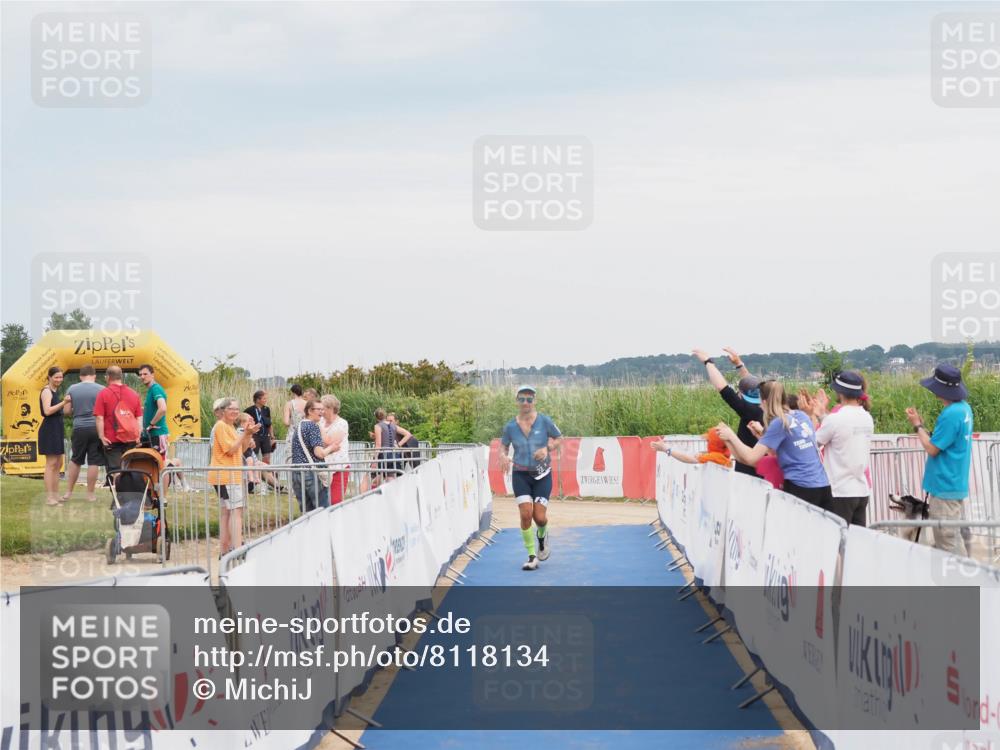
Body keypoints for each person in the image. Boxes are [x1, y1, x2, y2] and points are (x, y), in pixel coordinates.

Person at [716, 380, 832, 508]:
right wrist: (761, 436)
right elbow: (781, 451)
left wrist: (731, 436)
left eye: (760, 402)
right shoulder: (801, 416)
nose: (760, 406)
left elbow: (750, 458)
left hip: (801, 487)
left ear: (765, 402)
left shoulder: (779, 422)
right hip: (823, 485)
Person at [904, 364, 974, 555]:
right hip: (955, 484)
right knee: (954, 539)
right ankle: (965, 580)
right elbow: (942, 442)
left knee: (947, 543)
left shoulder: (951, 414)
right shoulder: (964, 409)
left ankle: (959, 582)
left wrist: (917, 426)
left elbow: (932, 448)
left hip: (945, 487)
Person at [498, 386, 562, 571]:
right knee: (526, 514)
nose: (525, 403)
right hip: (520, 474)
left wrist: (547, 449)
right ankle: (532, 556)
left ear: (535, 401)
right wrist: (502, 456)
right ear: (516, 401)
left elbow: (559, 439)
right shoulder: (510, 426)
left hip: (542, 475)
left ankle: (542, 538)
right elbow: (503, 446)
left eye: (529, 399)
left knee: (539, 517)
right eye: (522, 399)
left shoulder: (545, 421)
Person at [799, 371, 875, 526]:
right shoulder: (867, 417)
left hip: (840, 491)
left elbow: (813, 443)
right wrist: (821, 415)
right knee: (856, 542)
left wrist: (808, 415)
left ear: (840, 392)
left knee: (837, 543)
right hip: (861, 490)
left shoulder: (836, 419)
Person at [693, 348, 763, 476]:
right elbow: (751, 385)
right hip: (762, 469)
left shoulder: (749, 411)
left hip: (750, 474)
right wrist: (739, 364)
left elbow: (723, 388)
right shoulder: (764, 407)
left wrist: (708, 362)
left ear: (741, 395)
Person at [208, 398, 259, 556]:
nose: (235, 411)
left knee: (227, 513)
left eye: (237, 409)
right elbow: (230, 450)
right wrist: (244, 433)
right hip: (225, 475)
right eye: (232, 408)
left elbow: (241, 449)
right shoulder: (221, 426)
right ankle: (236, 550)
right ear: (223, 411)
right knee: (235, 512)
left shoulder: (229, 427)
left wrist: (248, 435)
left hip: (229, 475)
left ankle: (225, 550)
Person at [62, 364, 105, 502]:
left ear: (80, 376)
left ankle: (68, 492)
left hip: (79, 427)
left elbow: (66, 411)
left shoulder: (72, 389)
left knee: (76, 459)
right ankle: (90, 494)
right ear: (94, 376)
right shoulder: (102, 389)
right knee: (94, 461)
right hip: (96, 427)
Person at [291, 398, 339, 512]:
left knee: (307, 514)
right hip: (311, 474)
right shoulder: (313, 426)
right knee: (322, 511)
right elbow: (319, 453)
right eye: (318, 409)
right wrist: (332, 448)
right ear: (309, 411)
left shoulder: (300, 425)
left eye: (322, 409)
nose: (322, 412)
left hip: (297, 473)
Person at [93, 366, 143, 473]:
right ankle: (129, 488)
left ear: (107, 377)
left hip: (111, 438)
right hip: (131, 439)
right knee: (130, 468)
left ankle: (118, 489)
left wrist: (101, 436)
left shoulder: (103, 394)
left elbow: (99, 417)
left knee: (115, 471)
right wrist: (138, 434)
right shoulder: (134, 394)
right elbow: (139, 417)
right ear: (121, 377)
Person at [38, 366, 67, 506]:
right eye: (56, 377)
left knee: (59, 463)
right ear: (49, 377)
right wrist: (64, 403)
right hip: (49, 430)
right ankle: (50, 498)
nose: (59, 380)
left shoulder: (55, 391)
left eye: (61, 377)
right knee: (51, 464)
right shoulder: (46, 391)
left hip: (57, 429)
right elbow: (47, 411)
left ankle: (55, 495)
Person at [320, 395, 351, 505]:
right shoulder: (320, 422)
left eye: (322, 408)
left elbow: (332, 442)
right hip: (323, 468)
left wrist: (320, 444)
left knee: (335, 502)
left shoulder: (342, 423)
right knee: (321, 503)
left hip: (339, 467)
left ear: (331, 408)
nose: (321, 411)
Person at [652, 427, 732, 467]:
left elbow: (687, 458)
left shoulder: (715, 457)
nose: (707, 444)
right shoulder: (724, 455)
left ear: (714, 444)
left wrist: (666, 449)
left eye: (708, 441)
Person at [138, 364, 169, 457]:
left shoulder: (156, 389)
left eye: (145, 374)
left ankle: (177, 465)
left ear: (152, 375)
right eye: (140, 375)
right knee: (152, 465)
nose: (142, 377)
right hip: (151, 435)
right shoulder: (151, 390)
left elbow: (162, 408)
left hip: (158, 434)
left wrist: (151, 424)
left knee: (160, 464)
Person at [374, 408, 411, 483]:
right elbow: (408, 434)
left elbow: (378, 444)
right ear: (385, 416)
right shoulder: (394, 426)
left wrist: (374, 460)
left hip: (384, 454)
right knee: (391, 477)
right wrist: (398, 445)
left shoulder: (378, 426)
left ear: (377, 418)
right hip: (394, 454)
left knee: (374, 476)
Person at [245, 390, 275, 464]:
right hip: (255, 436)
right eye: (264, 399)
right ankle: (256, 474)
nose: (265, 400)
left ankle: (266, 474)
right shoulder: (249, 410)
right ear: (258, 400)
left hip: (265, 436)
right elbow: (244, 423)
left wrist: (272, 437)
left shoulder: (266, 409)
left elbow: (270, 424)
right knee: (254, 457)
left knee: (267, 458)